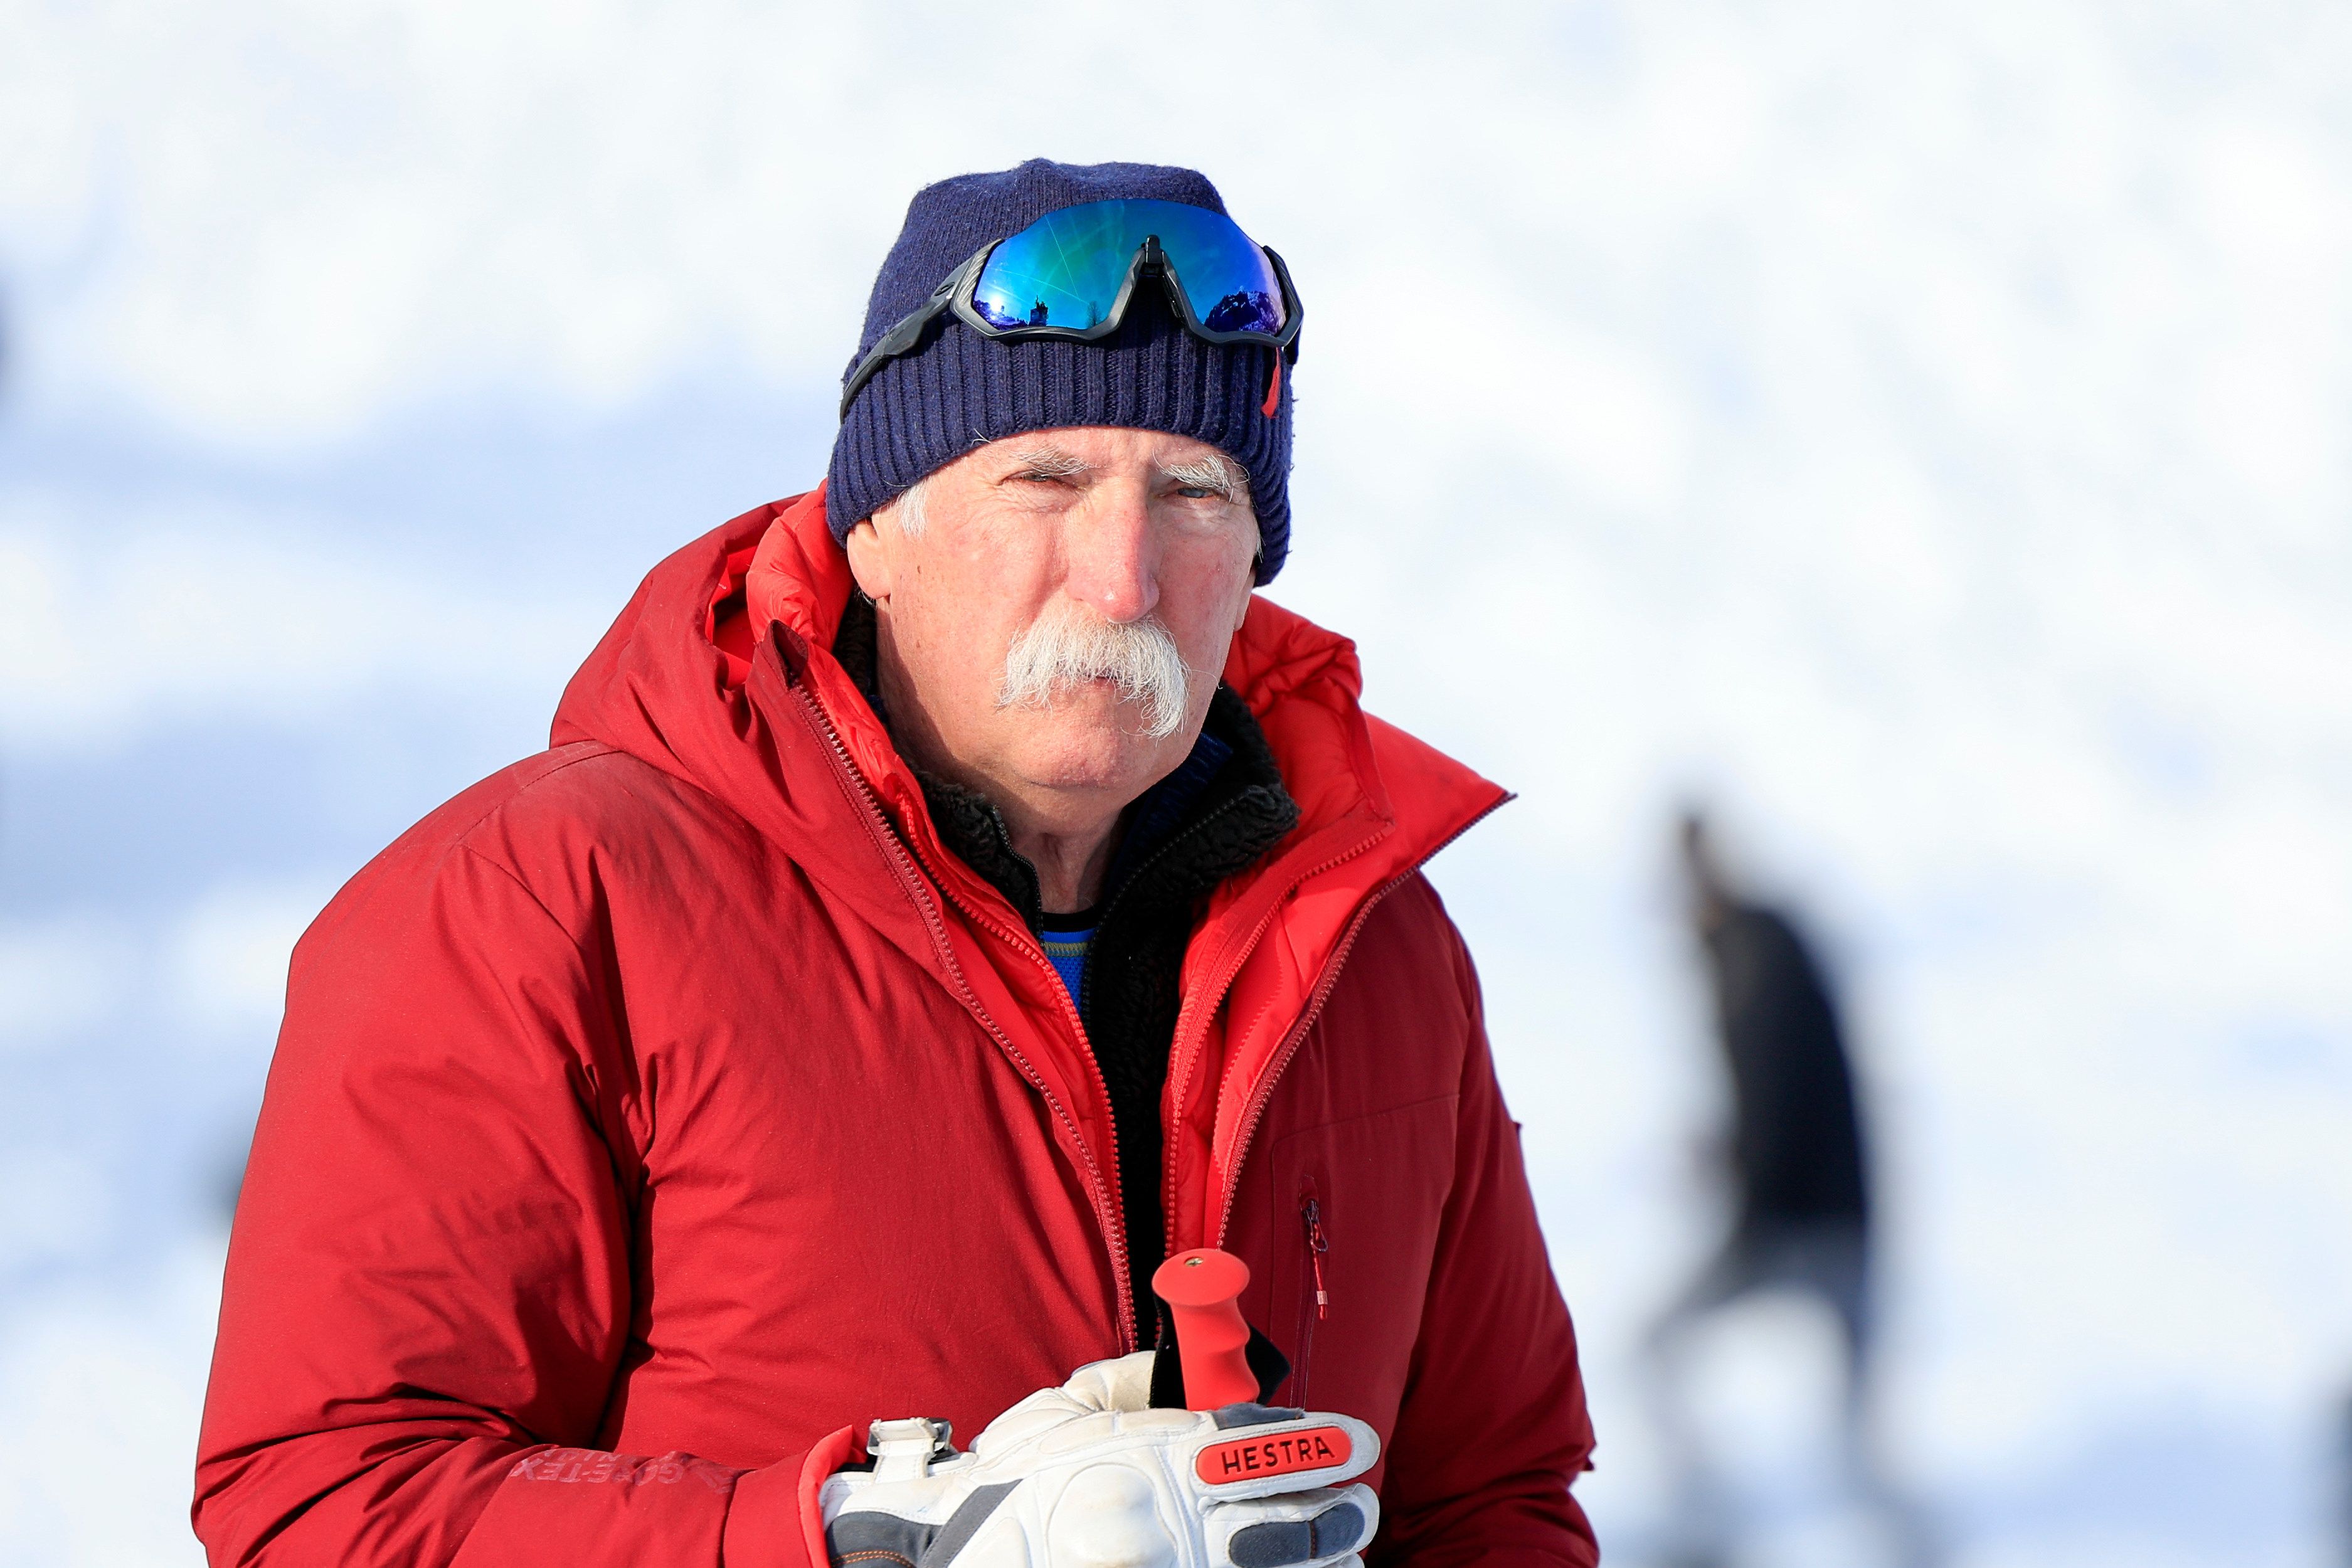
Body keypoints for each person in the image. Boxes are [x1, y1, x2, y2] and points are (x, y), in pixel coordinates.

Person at [194, 160, 1597, 1568]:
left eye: (1194, 492)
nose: (1122, 574)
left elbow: (1495, 1497)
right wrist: (858, 1537)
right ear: (873, 534)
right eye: (1043, 477)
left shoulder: (1376, 944)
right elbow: (323, 1500)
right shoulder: (545, 903)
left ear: (1251, 566)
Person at [1645, 810, 1929, 1566]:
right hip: (1826, 1219)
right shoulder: (1752, 948)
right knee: (1852, 1428)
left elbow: (1786, 1088)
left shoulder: (1754, 950)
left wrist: (1748, 1185)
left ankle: (1710, 1532)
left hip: (1801, 1225)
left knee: (1659, 1349)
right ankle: (1712, 1526)